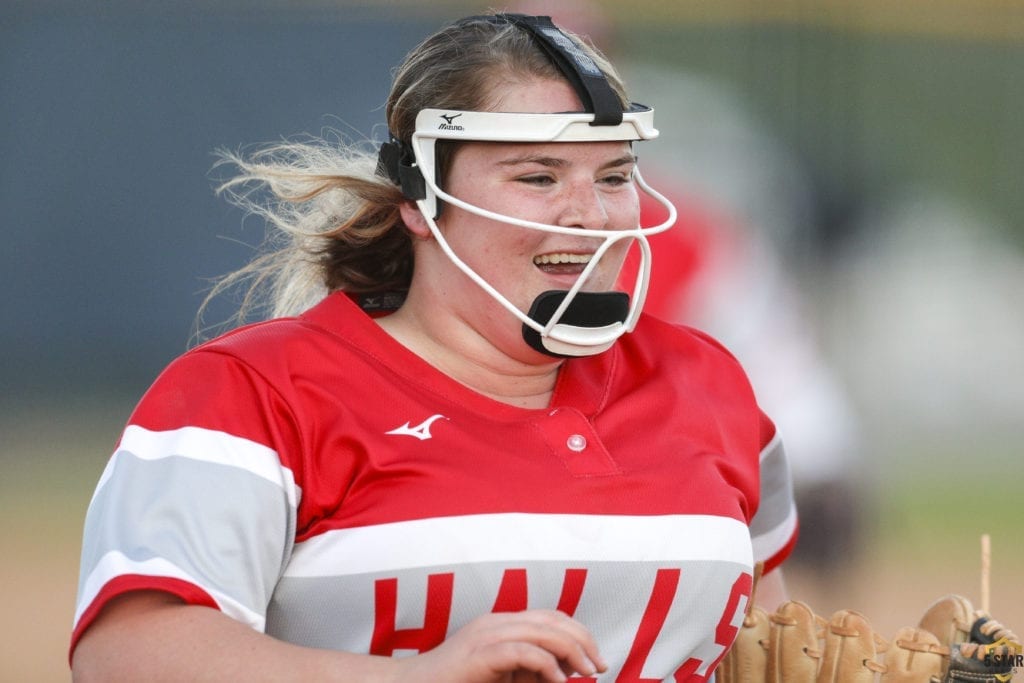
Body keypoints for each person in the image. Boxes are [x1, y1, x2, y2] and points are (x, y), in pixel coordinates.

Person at [70, 12, 798, 682]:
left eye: (613, 176)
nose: (591, 213)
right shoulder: (252, 392)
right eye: (538, 176)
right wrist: (410, 677)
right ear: (420, 200)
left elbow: (760, 632)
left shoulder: (705, 380)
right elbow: (126, 654)